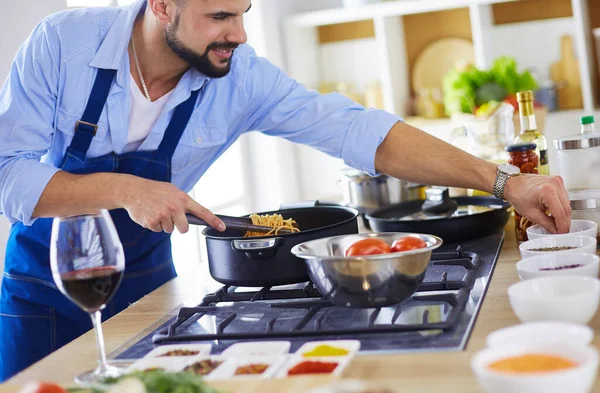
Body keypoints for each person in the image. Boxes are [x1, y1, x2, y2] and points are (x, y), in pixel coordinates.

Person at [0, 0, 570, 381]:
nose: (239, 35)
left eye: (244, 12)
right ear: (162, 4)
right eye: (220, 15)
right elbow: (9, 173)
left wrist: (504, 181)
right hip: (44, 291)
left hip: (145, 291)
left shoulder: (240, 74)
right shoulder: (62, 46)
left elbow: (359, 130)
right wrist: (127, 189)